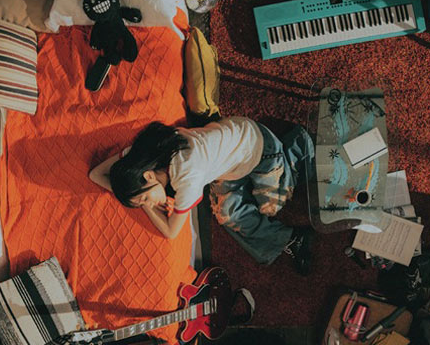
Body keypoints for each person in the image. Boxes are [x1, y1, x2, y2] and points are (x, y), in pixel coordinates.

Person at [89, 116, 315, 274]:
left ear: (148, 176)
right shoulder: (140, 156)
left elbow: (170, 231)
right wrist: (136, 197)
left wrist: (146, 207)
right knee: (227, 214)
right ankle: (292, 238)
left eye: (146, 199)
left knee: (272, 207)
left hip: (261, 150)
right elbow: (95, 174)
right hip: (232, 163)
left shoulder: (187, 178)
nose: (150, 203)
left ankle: (298, 147)